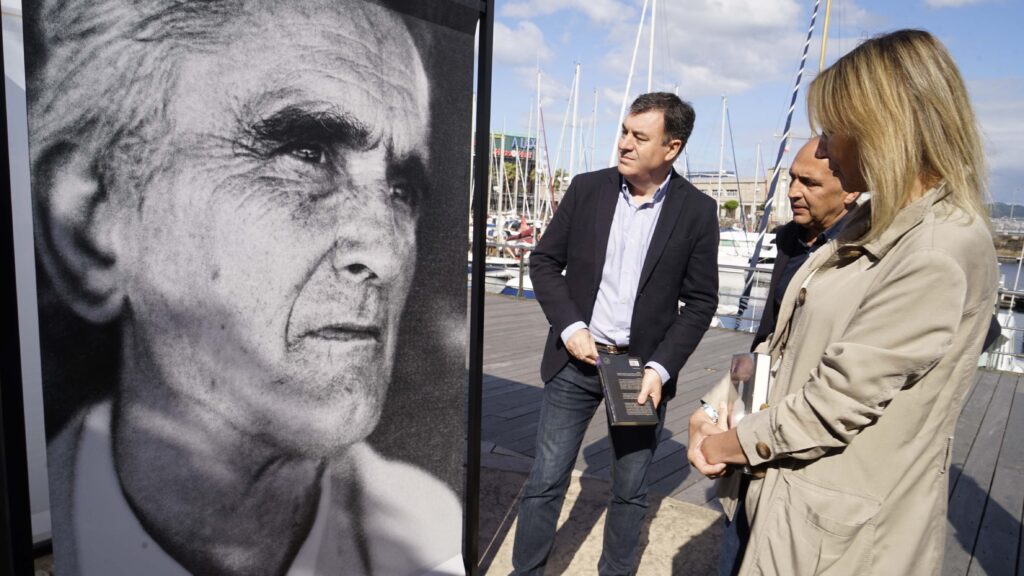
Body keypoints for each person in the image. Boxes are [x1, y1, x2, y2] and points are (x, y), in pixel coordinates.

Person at [28, 1, 462, 574]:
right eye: (305, 154)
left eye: (402, 189)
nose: (384, 253)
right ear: (91, 226)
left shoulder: (432, 533)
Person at [689, 29, 998, 575]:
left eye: (833, 130)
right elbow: (791, 346)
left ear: (885, 127)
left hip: (836, 539)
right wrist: (720, 404)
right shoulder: (877, 219)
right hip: (792, 509)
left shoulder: (937, 249)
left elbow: (834, 405)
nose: (825, 148)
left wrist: (725, 447)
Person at [513, 92, 719, 575]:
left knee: (629, 492)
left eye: (638, 136)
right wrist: (570, 327)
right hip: (575, 362)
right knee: (545, 480)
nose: (623, 143)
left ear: (671, 147)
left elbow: (701, 303)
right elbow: (543, 261)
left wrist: (660, 368)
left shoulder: (696, 211)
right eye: (624, 131)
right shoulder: (587, 190)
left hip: (638, 372)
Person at [750, 137, 860, 350]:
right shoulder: (788, 238)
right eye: (792, 178)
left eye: (809, 183)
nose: (793, 192)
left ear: (851, 190)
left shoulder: (863, 248)